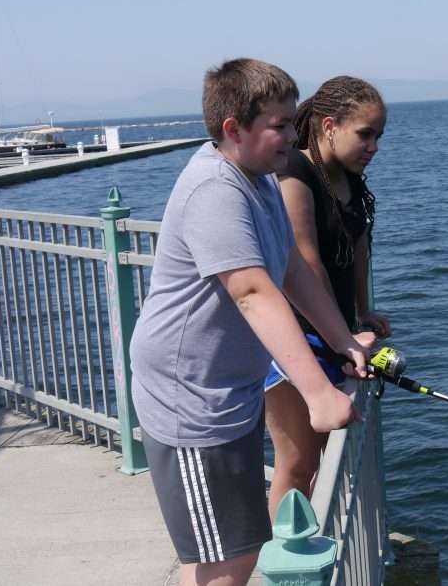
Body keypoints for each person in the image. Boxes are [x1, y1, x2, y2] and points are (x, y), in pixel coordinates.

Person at [130, 59, 375, 586]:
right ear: (233, 130)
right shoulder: (216, 190)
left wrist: (343, 341)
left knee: (221, 549)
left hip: (227, 390)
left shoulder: (259, 178)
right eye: (280, 125)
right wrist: (317, 394)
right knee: (230, 561)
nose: (294, 133)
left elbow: (289, 270)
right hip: (189, 400)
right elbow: (251, 291)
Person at [264, 76, 391, 520]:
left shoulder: (350, 177)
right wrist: (342, 337)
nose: (373, 145)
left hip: (334, 332)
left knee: (319, 459)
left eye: (378, 136)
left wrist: (362, 311)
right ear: (330, 125)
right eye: (365, 134)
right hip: (294, 336)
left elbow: (358, 246)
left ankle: (311, 547)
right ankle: (284, 561)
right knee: (296, 462)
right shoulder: (295, 173)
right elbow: (305, 260)